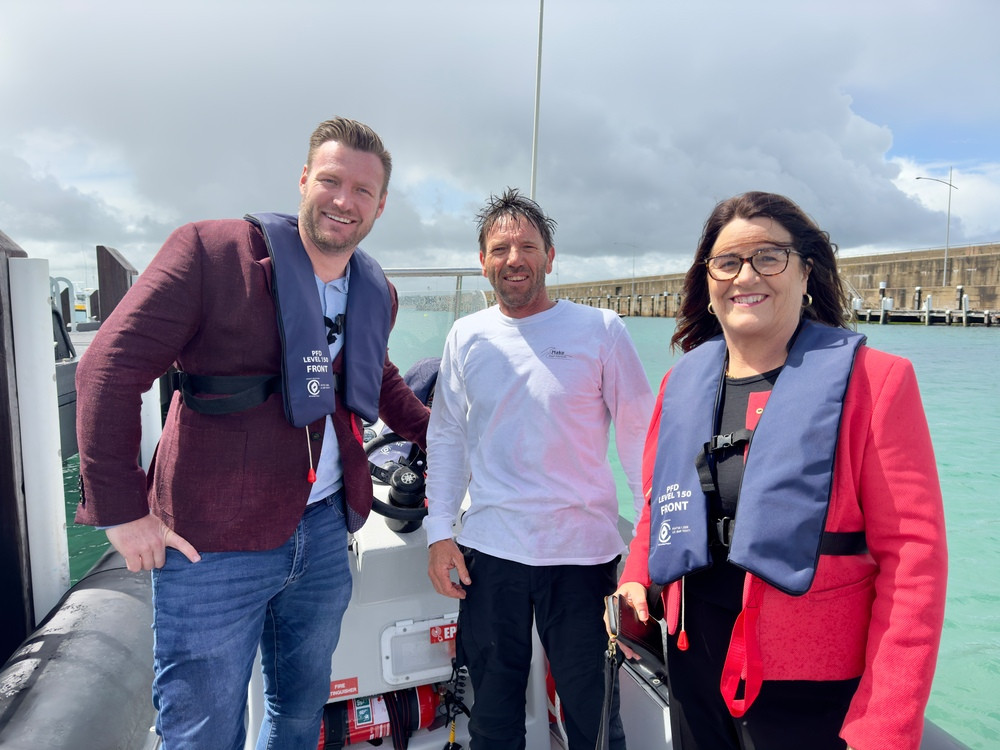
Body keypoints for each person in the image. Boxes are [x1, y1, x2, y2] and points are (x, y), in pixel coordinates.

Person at [74, 117, 430, 749]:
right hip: (210, 543)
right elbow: (109, 363)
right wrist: (122, 510)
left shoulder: (378, 292)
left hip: (321, 537)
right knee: (203, 731)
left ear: (380, 206)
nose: (345, 201)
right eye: (331, 180)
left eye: (363, 191)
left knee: (298, 713)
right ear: (303, 180)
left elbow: (378, 379)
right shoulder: (209, 254)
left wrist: (451, 442)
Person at [613, 191, 948, 750]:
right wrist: (636, 571)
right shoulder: (682, 384)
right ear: (708, 280)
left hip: (813, 685)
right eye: (728, 261)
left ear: (805, 271)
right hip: (694, 662)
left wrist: (886, 727)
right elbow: (660, 498)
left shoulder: (876, 382)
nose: (748, 274)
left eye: (770, 256)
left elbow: (916, 563)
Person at [425, 187, 654, 750]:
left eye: (527, 246)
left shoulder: (601, 331)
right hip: (490, 553)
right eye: (500, 248)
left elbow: (639, 439)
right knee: (493, 719)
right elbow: (448, 435)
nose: (514, 259)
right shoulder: (465, 336)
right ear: (483, 261)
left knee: (594, 718)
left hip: (582, 555)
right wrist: (439, 535)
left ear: (551, 256)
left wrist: (648, 549)